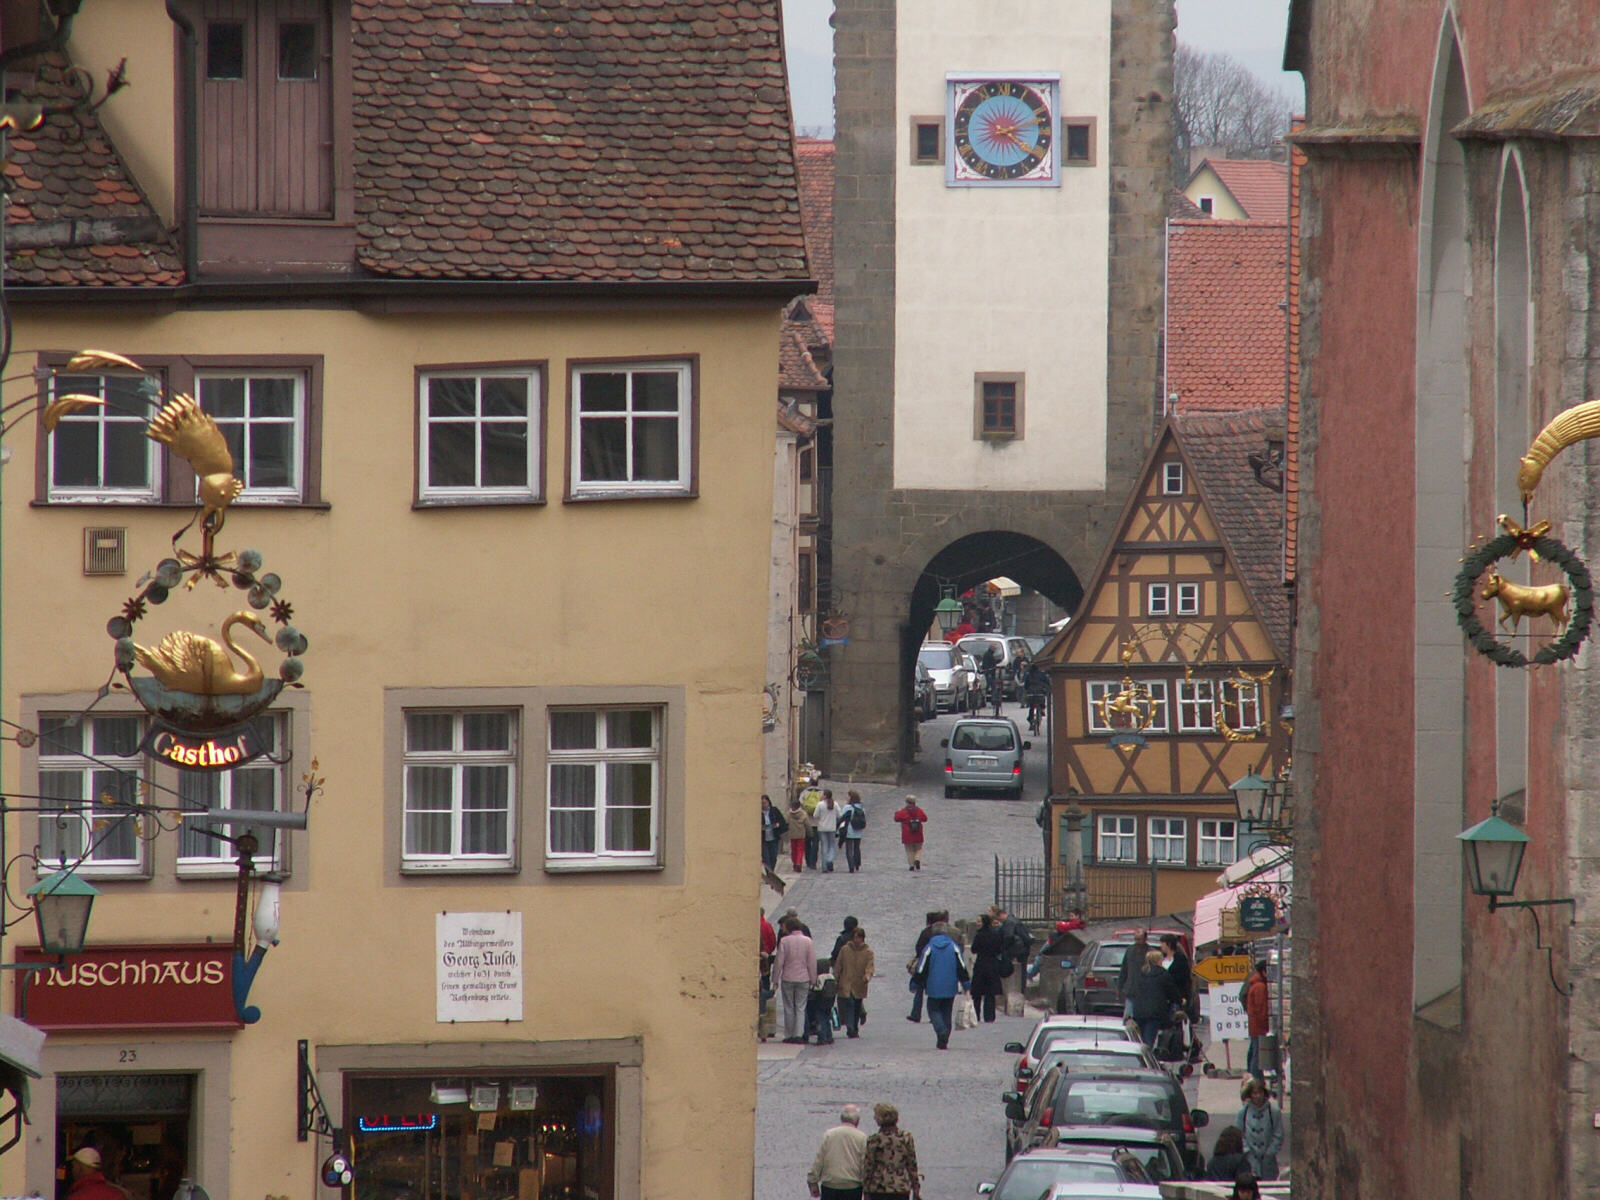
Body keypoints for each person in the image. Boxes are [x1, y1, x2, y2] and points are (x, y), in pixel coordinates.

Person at [913, 921, 970, 1049]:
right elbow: (962, 967)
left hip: (933, 985)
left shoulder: (929, 948)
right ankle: (943, 1040)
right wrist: (966, 985)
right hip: (950, 985)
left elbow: (921, 968)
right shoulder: (954, 946)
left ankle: (941, 1031)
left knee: (933, 1009)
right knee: (947, 1012)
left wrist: (915, 983)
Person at [860, 1102, 920, 1200]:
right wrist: (916, 1188)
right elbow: (912, 1165)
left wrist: (865, 1190)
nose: (874, 1118)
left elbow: (869, 1167)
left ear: (882, 1119)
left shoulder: (874, 1139)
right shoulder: (906, 1137)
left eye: (876, 1116)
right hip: (901, 1187)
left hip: (879, 1188)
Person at [807, 1104, 869, 1200]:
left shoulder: (829, 1135)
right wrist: (867, 1188)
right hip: (852, 1187)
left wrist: (812, 1181)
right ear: (857, 1121)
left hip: (830, 1185)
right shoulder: (862, 1137)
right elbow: (864, 1164)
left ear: (841, 1119)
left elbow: (819, 1159)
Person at [773, 916, 818, 1043]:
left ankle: (789, 1034)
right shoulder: (808, 941)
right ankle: (799, 1033)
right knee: (800, 1007)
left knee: (789, 1007)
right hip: (803, 978)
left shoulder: (784, 941)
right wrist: (813, 980)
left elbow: (779, 962)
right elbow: (811, 962)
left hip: (788, 977)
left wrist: (775, 979)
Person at [1128, 948, 1179, 1047]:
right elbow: (1172, 992)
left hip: (1140, 1011)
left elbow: (1134, 991)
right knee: (1149, 1038)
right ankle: (1147, 1058)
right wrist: (1178, 1001)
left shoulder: (1140, 974)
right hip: (1155, 1012)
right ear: (1158, 960)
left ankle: (1142, 1054)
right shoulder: (1163, 974)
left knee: (1141, 1037)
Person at [1235, 1075, 1283, 1180]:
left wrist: (1269, 1153)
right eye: (1254, 1093)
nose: (1257, 1096)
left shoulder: (1273, 1111)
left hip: (1268, 1162)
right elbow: (1238, 1135)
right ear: (1250, 1095)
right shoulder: (1242, 1113)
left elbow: (1278, 1134)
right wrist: (1247, 1152)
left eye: (1260, 1093)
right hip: (1249, 1161)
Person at [833, 925, 875, 1038]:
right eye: (855, 937)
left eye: (859, 938)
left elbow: (870, 966)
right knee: (849, 1004)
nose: (857, 940)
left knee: (857, 1005)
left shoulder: (868, 952)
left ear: (862, 938)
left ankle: (855, 1027)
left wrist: (867, 976)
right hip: (846, 982)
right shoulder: (845, 950)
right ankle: (850, 1028)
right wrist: (835, 979)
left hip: (859, 983)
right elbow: (838, 965)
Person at [968, 913, 1007, 1023]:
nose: (977, 923)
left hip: (981, 965)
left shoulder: (979, 935)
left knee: (977, 994)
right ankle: (989, 1016)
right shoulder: (995, 934)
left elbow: (974, 949)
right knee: (990, 994)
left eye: (979, 921)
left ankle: (976, 1015)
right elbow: (1000, 949)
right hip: (992, 965)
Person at [1160, 932, 1195, 1053]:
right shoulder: (1161, 959)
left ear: (1169, 945)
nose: (1161, 946)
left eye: (1163, 944)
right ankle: (1165, 1046)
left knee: (1176, 1021)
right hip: (1163, 998)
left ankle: (1177, 1046)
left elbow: (1185, 980)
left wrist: (1184, 996)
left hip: (1177, 996)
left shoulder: (1180, 960)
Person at [906, 911, 942, 1023]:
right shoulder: (941, 934)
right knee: (934, 992)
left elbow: (918, 948)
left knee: (919, 991)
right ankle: (935, 1015)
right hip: (936, 965)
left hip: (924, 965)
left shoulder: (925, 933)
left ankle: (916, 1014)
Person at [996, 905, 1031, 1016]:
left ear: (1002, 914)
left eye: (999, 918)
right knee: (1023, 973)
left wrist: (1003, 949)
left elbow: (1008, 937)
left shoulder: (1009, 922)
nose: (999, 921)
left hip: (1018, 950)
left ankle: (1018, 994)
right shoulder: (1015, 920)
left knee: (1018, 974)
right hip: (1023, 949)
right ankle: (1022, 992)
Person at [1243, 960, 1271, 1078]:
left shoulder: (1255, 983)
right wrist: (1265, 1025)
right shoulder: (1260, 987)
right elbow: (1261, 1009)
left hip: (1255, 1025)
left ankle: (1252, 1074)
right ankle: (1255, 1078)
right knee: (1257, 1054)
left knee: (1254, 1050)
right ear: (1264, 971)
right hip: (1258, 1026)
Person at [1118, 929, 1150, 1020]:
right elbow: (1124, 969)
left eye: (1139, 939)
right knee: (1128, 1018)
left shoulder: (1150, 952)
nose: (1137, 942)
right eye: (1135, 939)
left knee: (1140, 1018)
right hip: (1130, 991)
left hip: (1144, 992)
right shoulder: (1130, 950)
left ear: (1145, 939)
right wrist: (1119, 987)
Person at [893, 795, 929, 870]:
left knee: (909, 850)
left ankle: (911, 865)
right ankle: (917, 859)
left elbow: (896, 819)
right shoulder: (919, 810)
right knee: (918, 848)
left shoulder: (903, 811)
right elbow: (925, 818)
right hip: (918, 832)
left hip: (907, 833)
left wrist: (897, 812)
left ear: (906, 802)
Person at [758, 911, 778, 1042]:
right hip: (764, 959)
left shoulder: (756, 926)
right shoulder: (766, 925)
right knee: (764, 988)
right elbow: (772, 940)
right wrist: (769, 952)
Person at [815, 790, 841, 872]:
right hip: (832, 828)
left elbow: (815, 815)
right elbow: (839, 815)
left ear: (825, 796)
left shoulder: (820, 804)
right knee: (831, 846)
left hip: (822, 828)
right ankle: (830, 860)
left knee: (824, 846)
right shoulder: (835, 804)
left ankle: (824, 866)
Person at [840, 790, 867, 872]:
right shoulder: (861, 807)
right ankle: (857, 864)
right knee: (857, 848)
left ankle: (851, 866)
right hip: (858, 831)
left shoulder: (847, 807)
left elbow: (842, 818)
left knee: (849, 849)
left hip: (849, 830)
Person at [801, 778, 824, 868]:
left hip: (807, 821)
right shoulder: (821, 793)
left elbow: (801, 803)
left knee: (807, 842)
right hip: (817, 822)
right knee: (815, 842)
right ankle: (813, 862)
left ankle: (808, 860)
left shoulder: (805, 792)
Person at [761, 795, 788, 870]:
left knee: (773, 857)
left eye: (765, 803)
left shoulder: (774, 811)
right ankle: (769, 874)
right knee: (766, 858)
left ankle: (771, 872)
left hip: (774, 838)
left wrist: (777, 825)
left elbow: (782, 822)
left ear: (768, 802)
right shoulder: (759, 813)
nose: (764, 805)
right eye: (762, 803)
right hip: (763, 839)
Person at [786, 795, 813, 872]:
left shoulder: (789, 814)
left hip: (792, 834)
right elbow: (807, 825)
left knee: (793, 850)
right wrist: (810, 833)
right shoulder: (803, 814)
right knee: (800, 850)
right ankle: (798, 863)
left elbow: (786, 822)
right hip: (801, 835)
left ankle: (794, 863)